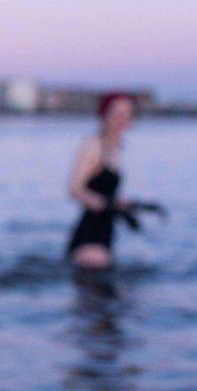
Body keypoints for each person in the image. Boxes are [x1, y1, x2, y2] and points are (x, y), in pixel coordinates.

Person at [65, 93, 141, 270]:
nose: (122, 119)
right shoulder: (94, 145)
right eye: (116, 113)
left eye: (128, 113)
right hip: (90, 238)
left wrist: (122, 205)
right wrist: (109, 206)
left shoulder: (113, 147)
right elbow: (75, 189)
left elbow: (101, 191)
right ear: (104, 115)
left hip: (105, 233)